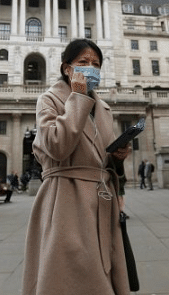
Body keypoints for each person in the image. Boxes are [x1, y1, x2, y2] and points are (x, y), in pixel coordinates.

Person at [22, 39, 132, 295]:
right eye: (83, 62)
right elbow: (57, 145)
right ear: (66, 68)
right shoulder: (49, 100)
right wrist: (78, 98)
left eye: (96, 63)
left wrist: (117, 156)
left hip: (102, 201)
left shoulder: (104, 108)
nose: (90, 68)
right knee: (68, 275)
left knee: (103, 273)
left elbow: (101, 157)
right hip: (65, 200)